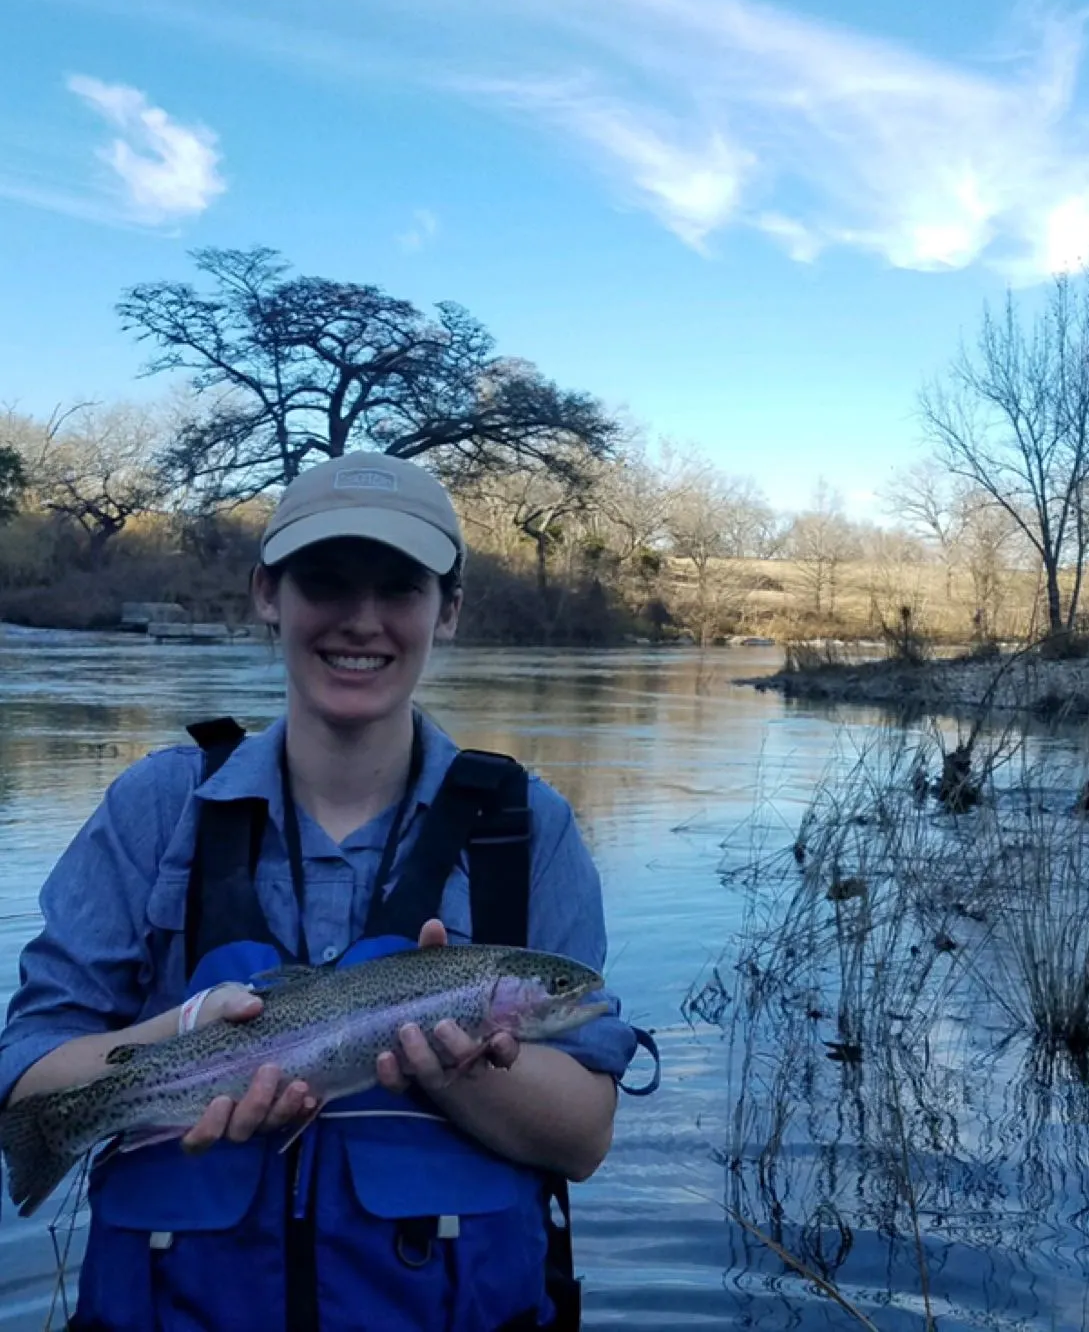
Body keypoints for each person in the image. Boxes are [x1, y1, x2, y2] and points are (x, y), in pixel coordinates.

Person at [0, 452, 646, 1332]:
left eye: (400, 589)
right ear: (269, 594)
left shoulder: (523, 828)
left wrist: (446, 1067)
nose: (362, 619)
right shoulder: (157, 809)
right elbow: (27, 1076)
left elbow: (584, 1138)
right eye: (326, 582)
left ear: (446, 611)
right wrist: (188, 1035)